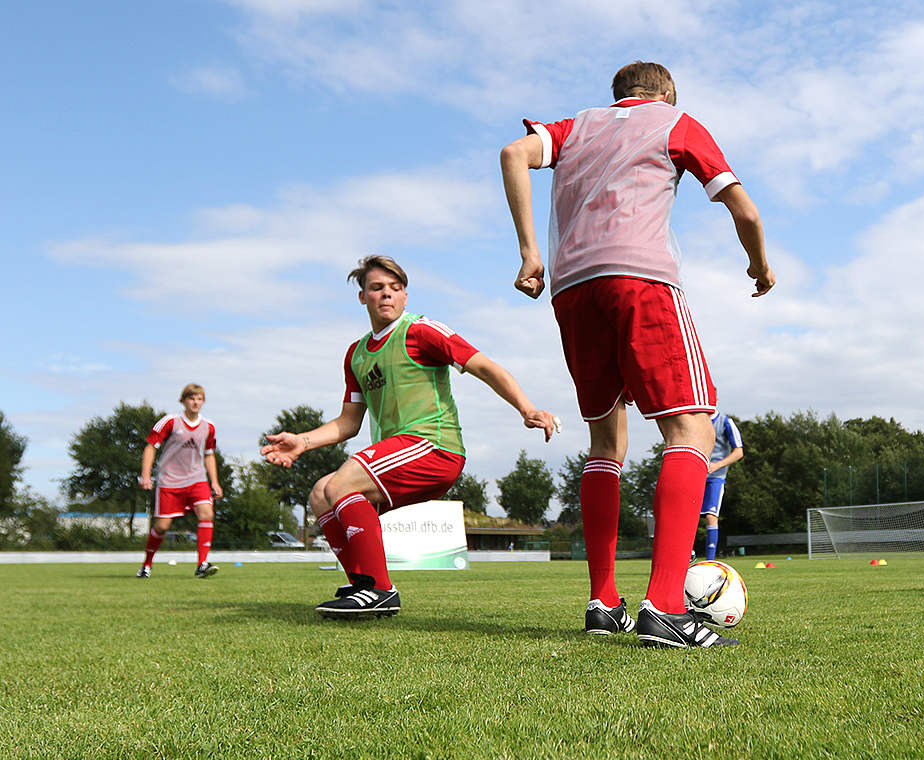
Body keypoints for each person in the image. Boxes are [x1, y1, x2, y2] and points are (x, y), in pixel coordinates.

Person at [500, 61, 775, 648]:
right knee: (692, 429)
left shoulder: (575, 128)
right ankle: (666, 607)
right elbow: (746, 211)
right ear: (666, 92)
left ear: (617, 95)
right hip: (639, 280)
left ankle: (603, 601)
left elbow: (511, 154)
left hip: (572, 290)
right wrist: (759, 264)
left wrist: (530, 252)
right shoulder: (675, 122)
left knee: (606, 444)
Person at [260, 255, 559, 618]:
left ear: (405, 296)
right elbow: (349, 422)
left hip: (434, 446)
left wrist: (526, 409)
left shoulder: (421, 331)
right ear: (362, 297)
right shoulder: (355, 355)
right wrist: (303, 442)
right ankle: (362, 587)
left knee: (341, 484)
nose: (386, 294)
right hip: (397, 455)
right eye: (377, 288)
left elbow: (484, 365)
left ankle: (379, 589)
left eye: (395, 288)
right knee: (322, 493)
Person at [137, 384, 223, 578]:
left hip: (197, 480)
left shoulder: (208, 427)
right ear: (184, 400)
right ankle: (147, 564)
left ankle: (202, 564)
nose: (195, 402)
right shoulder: (170, 421)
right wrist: (145, 474)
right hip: (170, 481)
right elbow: (151, 446)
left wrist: (214, 482)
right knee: (162, 526)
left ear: (203, 402)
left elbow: (209, 455)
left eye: (199, 398)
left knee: (207, 513)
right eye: (191, 398)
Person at [701, 411, 744, 561]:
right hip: (695, 476)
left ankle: (710, 561)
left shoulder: (725, 422)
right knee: (688, 517)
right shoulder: (695, 420)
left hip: (716, 478)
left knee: (711, 516)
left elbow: (739, 451)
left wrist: (717, 465)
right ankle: (685, 557)